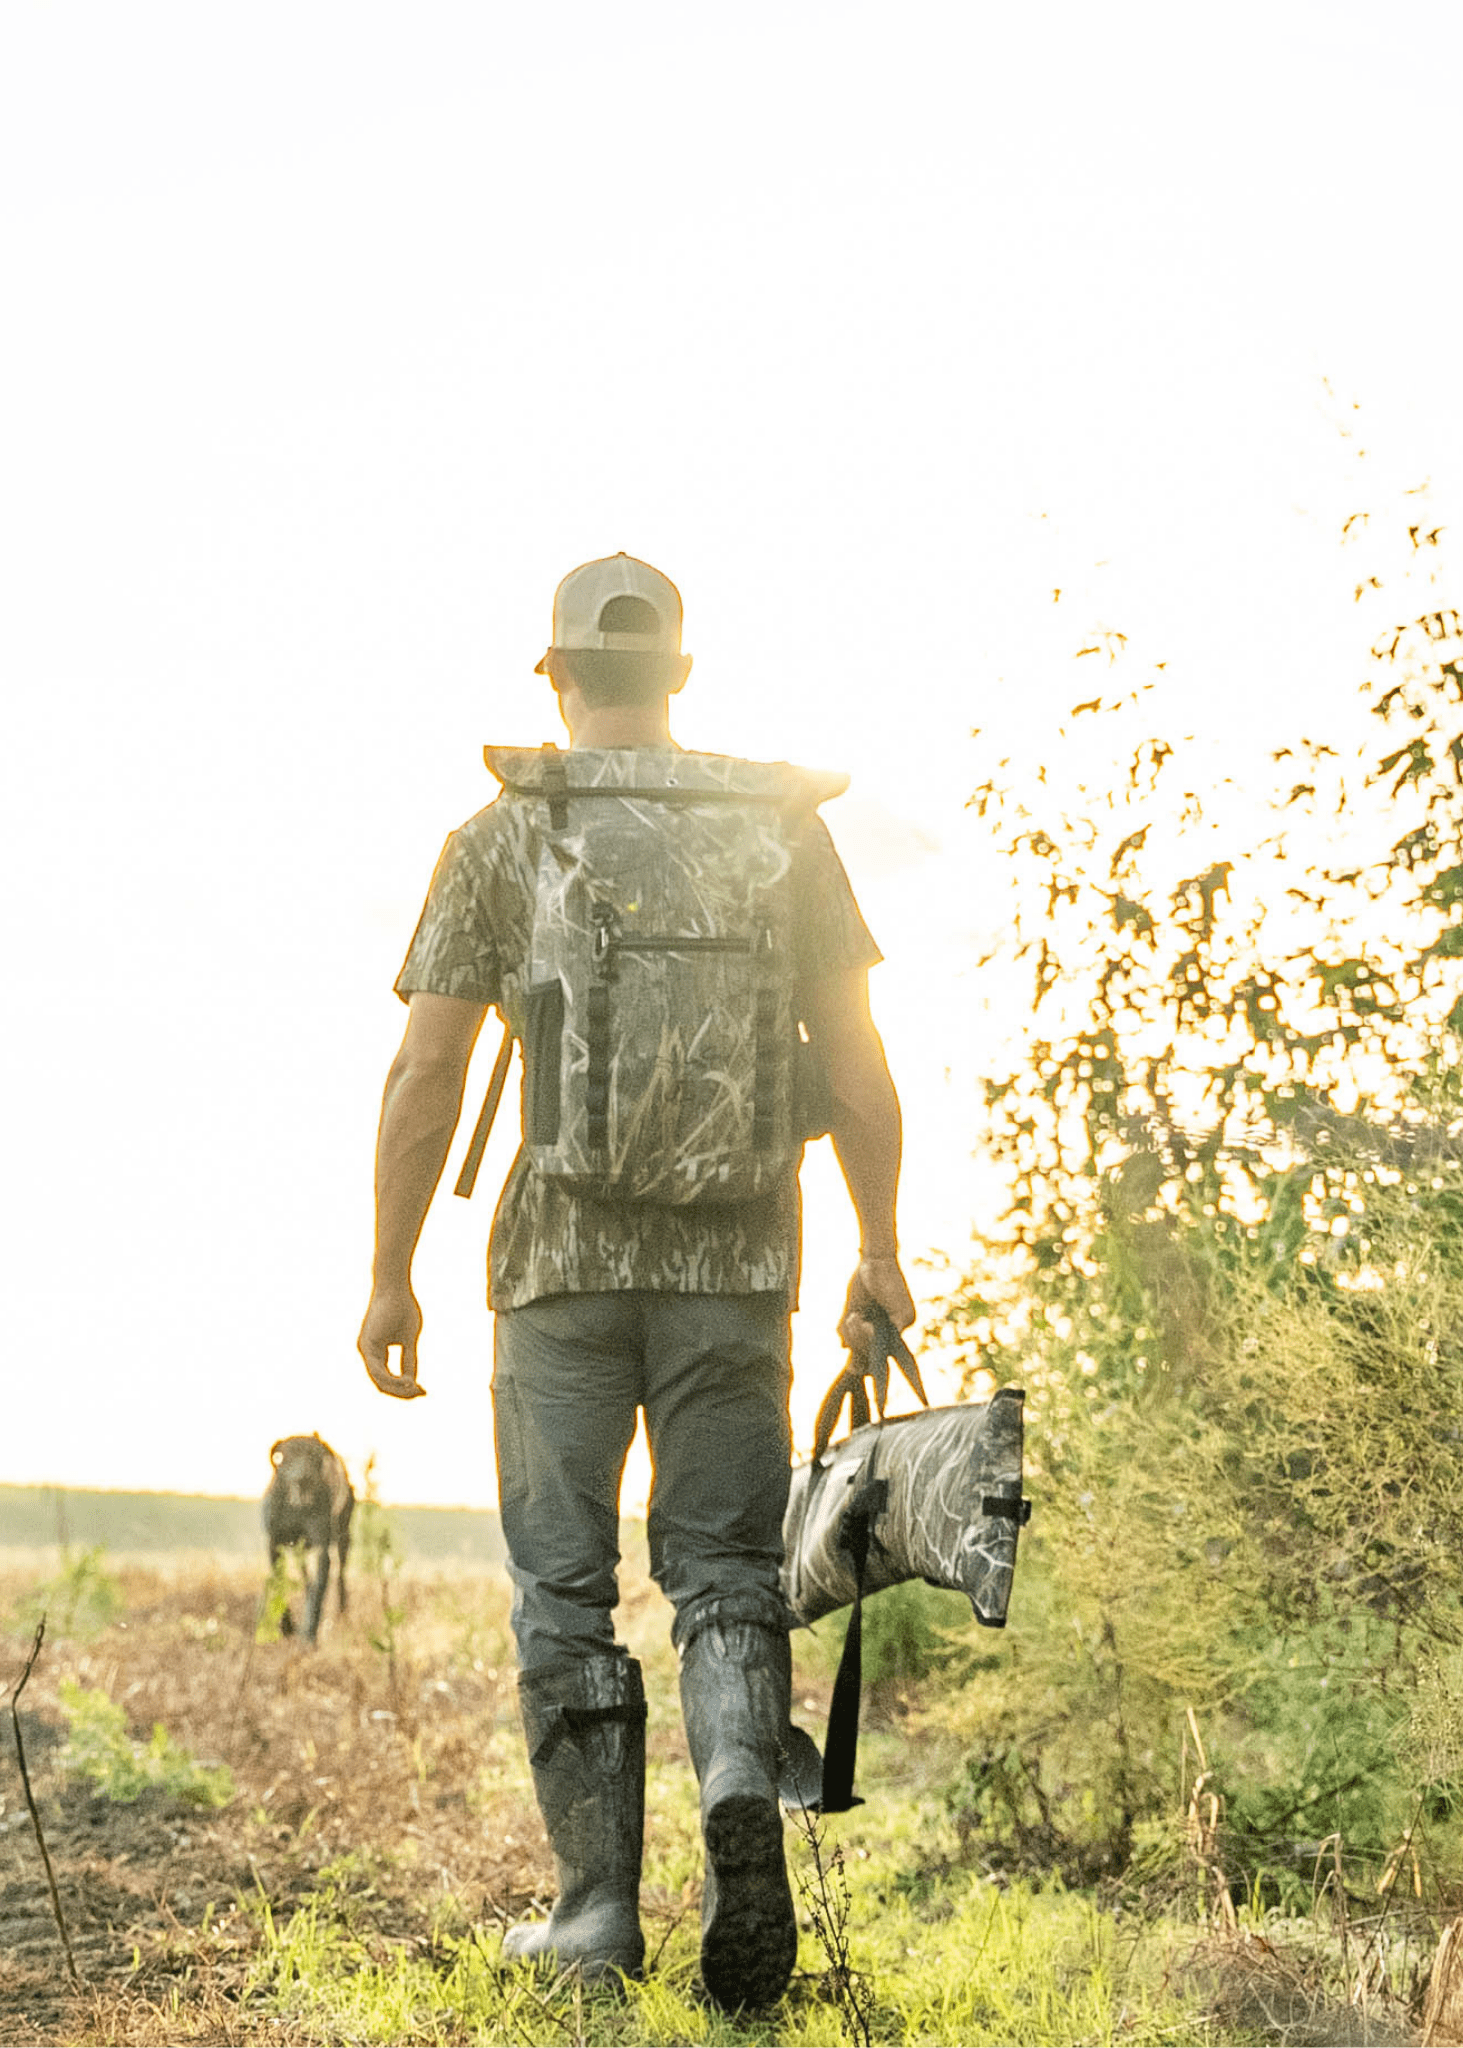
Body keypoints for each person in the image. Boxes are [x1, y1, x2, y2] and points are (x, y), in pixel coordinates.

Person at [357, 553, 914, 2011]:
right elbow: (857, 1067)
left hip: (558, 1275)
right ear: (679, 677)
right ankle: (735, 1780)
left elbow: (426, 1073)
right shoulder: (782, 833)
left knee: (563, 1589)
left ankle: (595, 1912)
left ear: (554, 678)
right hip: (736, 1270)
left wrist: (391, 1275)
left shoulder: (503, 835)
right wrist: (877, 1248)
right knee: (726, 1570)